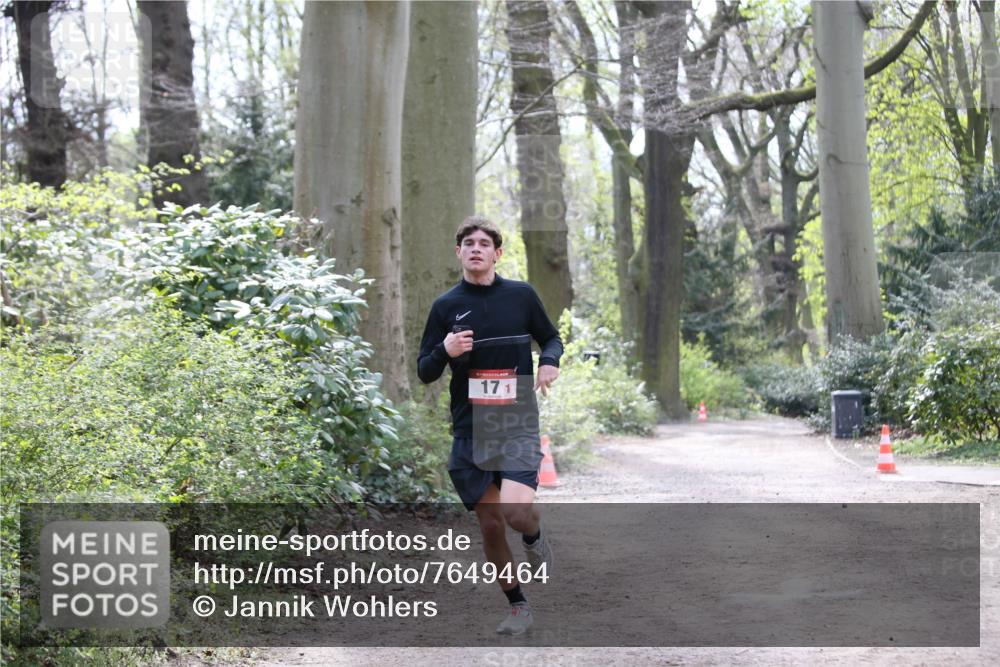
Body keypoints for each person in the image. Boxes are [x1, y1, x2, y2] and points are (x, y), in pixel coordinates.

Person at [417, 216, 562, 635]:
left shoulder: (520, 296)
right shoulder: (445, 307)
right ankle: (518, 605)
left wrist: (549, 362)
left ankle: (534, 536)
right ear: (458, 252)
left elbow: (551, 338)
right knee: (492, 524)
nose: (476, 248)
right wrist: (444, 349)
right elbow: (425, 371)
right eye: (468, 243)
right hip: (470, 428)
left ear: (497, 253)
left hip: (515, 422)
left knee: (516, 513)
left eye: (485, 243)